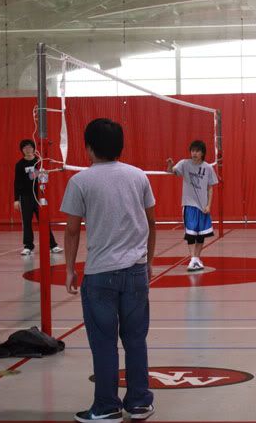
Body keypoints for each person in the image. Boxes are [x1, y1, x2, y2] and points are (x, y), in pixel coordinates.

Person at [61, 118, 156, 423]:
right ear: (120, 146)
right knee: (135, 340)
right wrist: (148, 262)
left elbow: (72, 230)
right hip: (136, 272)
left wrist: (69, 269)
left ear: (88, 148)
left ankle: (106, 407)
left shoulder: (80, 181)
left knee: (104, 344)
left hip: (100, 274)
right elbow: (151, 222)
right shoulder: (138, 176)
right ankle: (139, 403)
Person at [165, 140, 219, 272]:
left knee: (201, 234)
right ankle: (192, 259)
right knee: (190, 233)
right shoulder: (184, 164)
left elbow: (210, 188)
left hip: (203, 207)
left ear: (202, 153)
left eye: (197, 151)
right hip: (189, 205)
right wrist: (170, 165)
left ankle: (196, 259)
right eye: (192, 151)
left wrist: (209, 205)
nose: (194, 153)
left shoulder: (208, 168)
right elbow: (171, 171)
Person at [13, 138, 62, 256]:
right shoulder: (19, 164)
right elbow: (17, 182)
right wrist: (16, 200)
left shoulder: (39, 162)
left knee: (44, 221)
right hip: (25, 197)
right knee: (27, 222)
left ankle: (52, 245)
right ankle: (28, 246)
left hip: (39, 196)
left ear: (34, 149)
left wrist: (45, 173)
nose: (28, 149)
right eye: (25, 148)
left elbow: (44, 177)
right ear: (22, 150)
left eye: (30, 147)